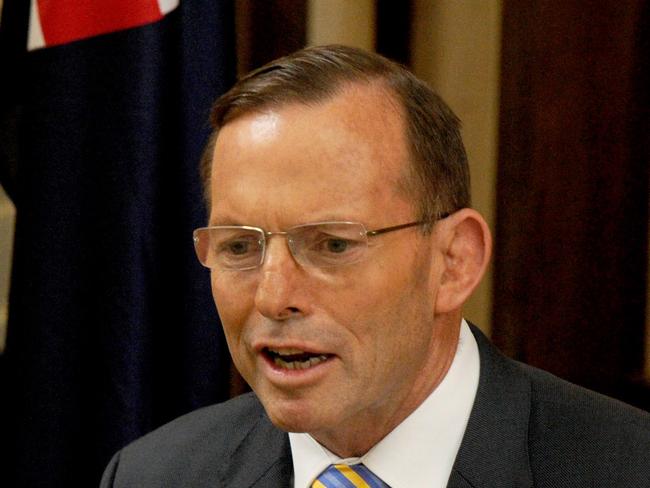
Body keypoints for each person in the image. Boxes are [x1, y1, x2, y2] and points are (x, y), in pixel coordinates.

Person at [100, 45, 650, 488]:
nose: (273, 297)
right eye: (241, 247)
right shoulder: (153, 474)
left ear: (454, 261)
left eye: (332, 245)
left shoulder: (627, 467)